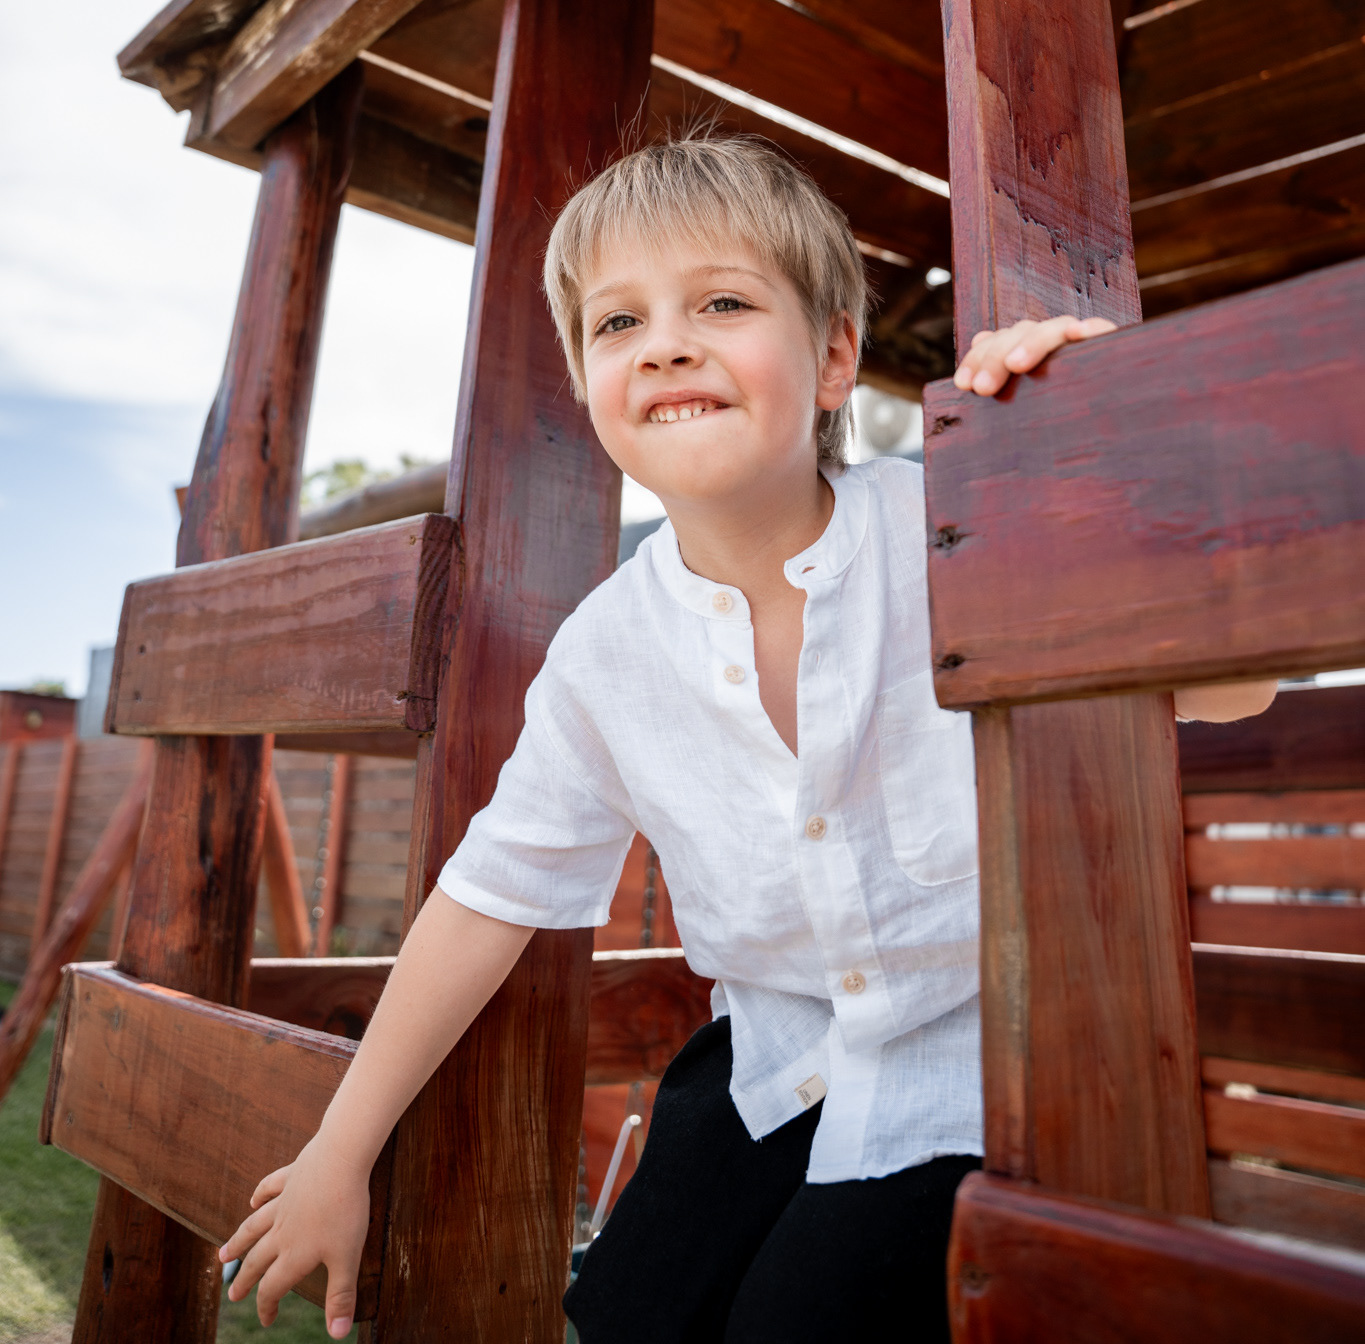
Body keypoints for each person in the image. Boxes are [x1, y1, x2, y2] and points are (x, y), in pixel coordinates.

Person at [219, 132, 1277, 1341]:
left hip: (993, 1073)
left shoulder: (955, 521)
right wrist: (338, 1150)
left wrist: (1111, 458)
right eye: (618, 323)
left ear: (833, 358)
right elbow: (490, 892)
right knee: (622, 1313)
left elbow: (1231, 689)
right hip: (768, 1064)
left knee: (801, 1317)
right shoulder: (606, 650)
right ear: (589, 385)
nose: (666, 340)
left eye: (721, 301)